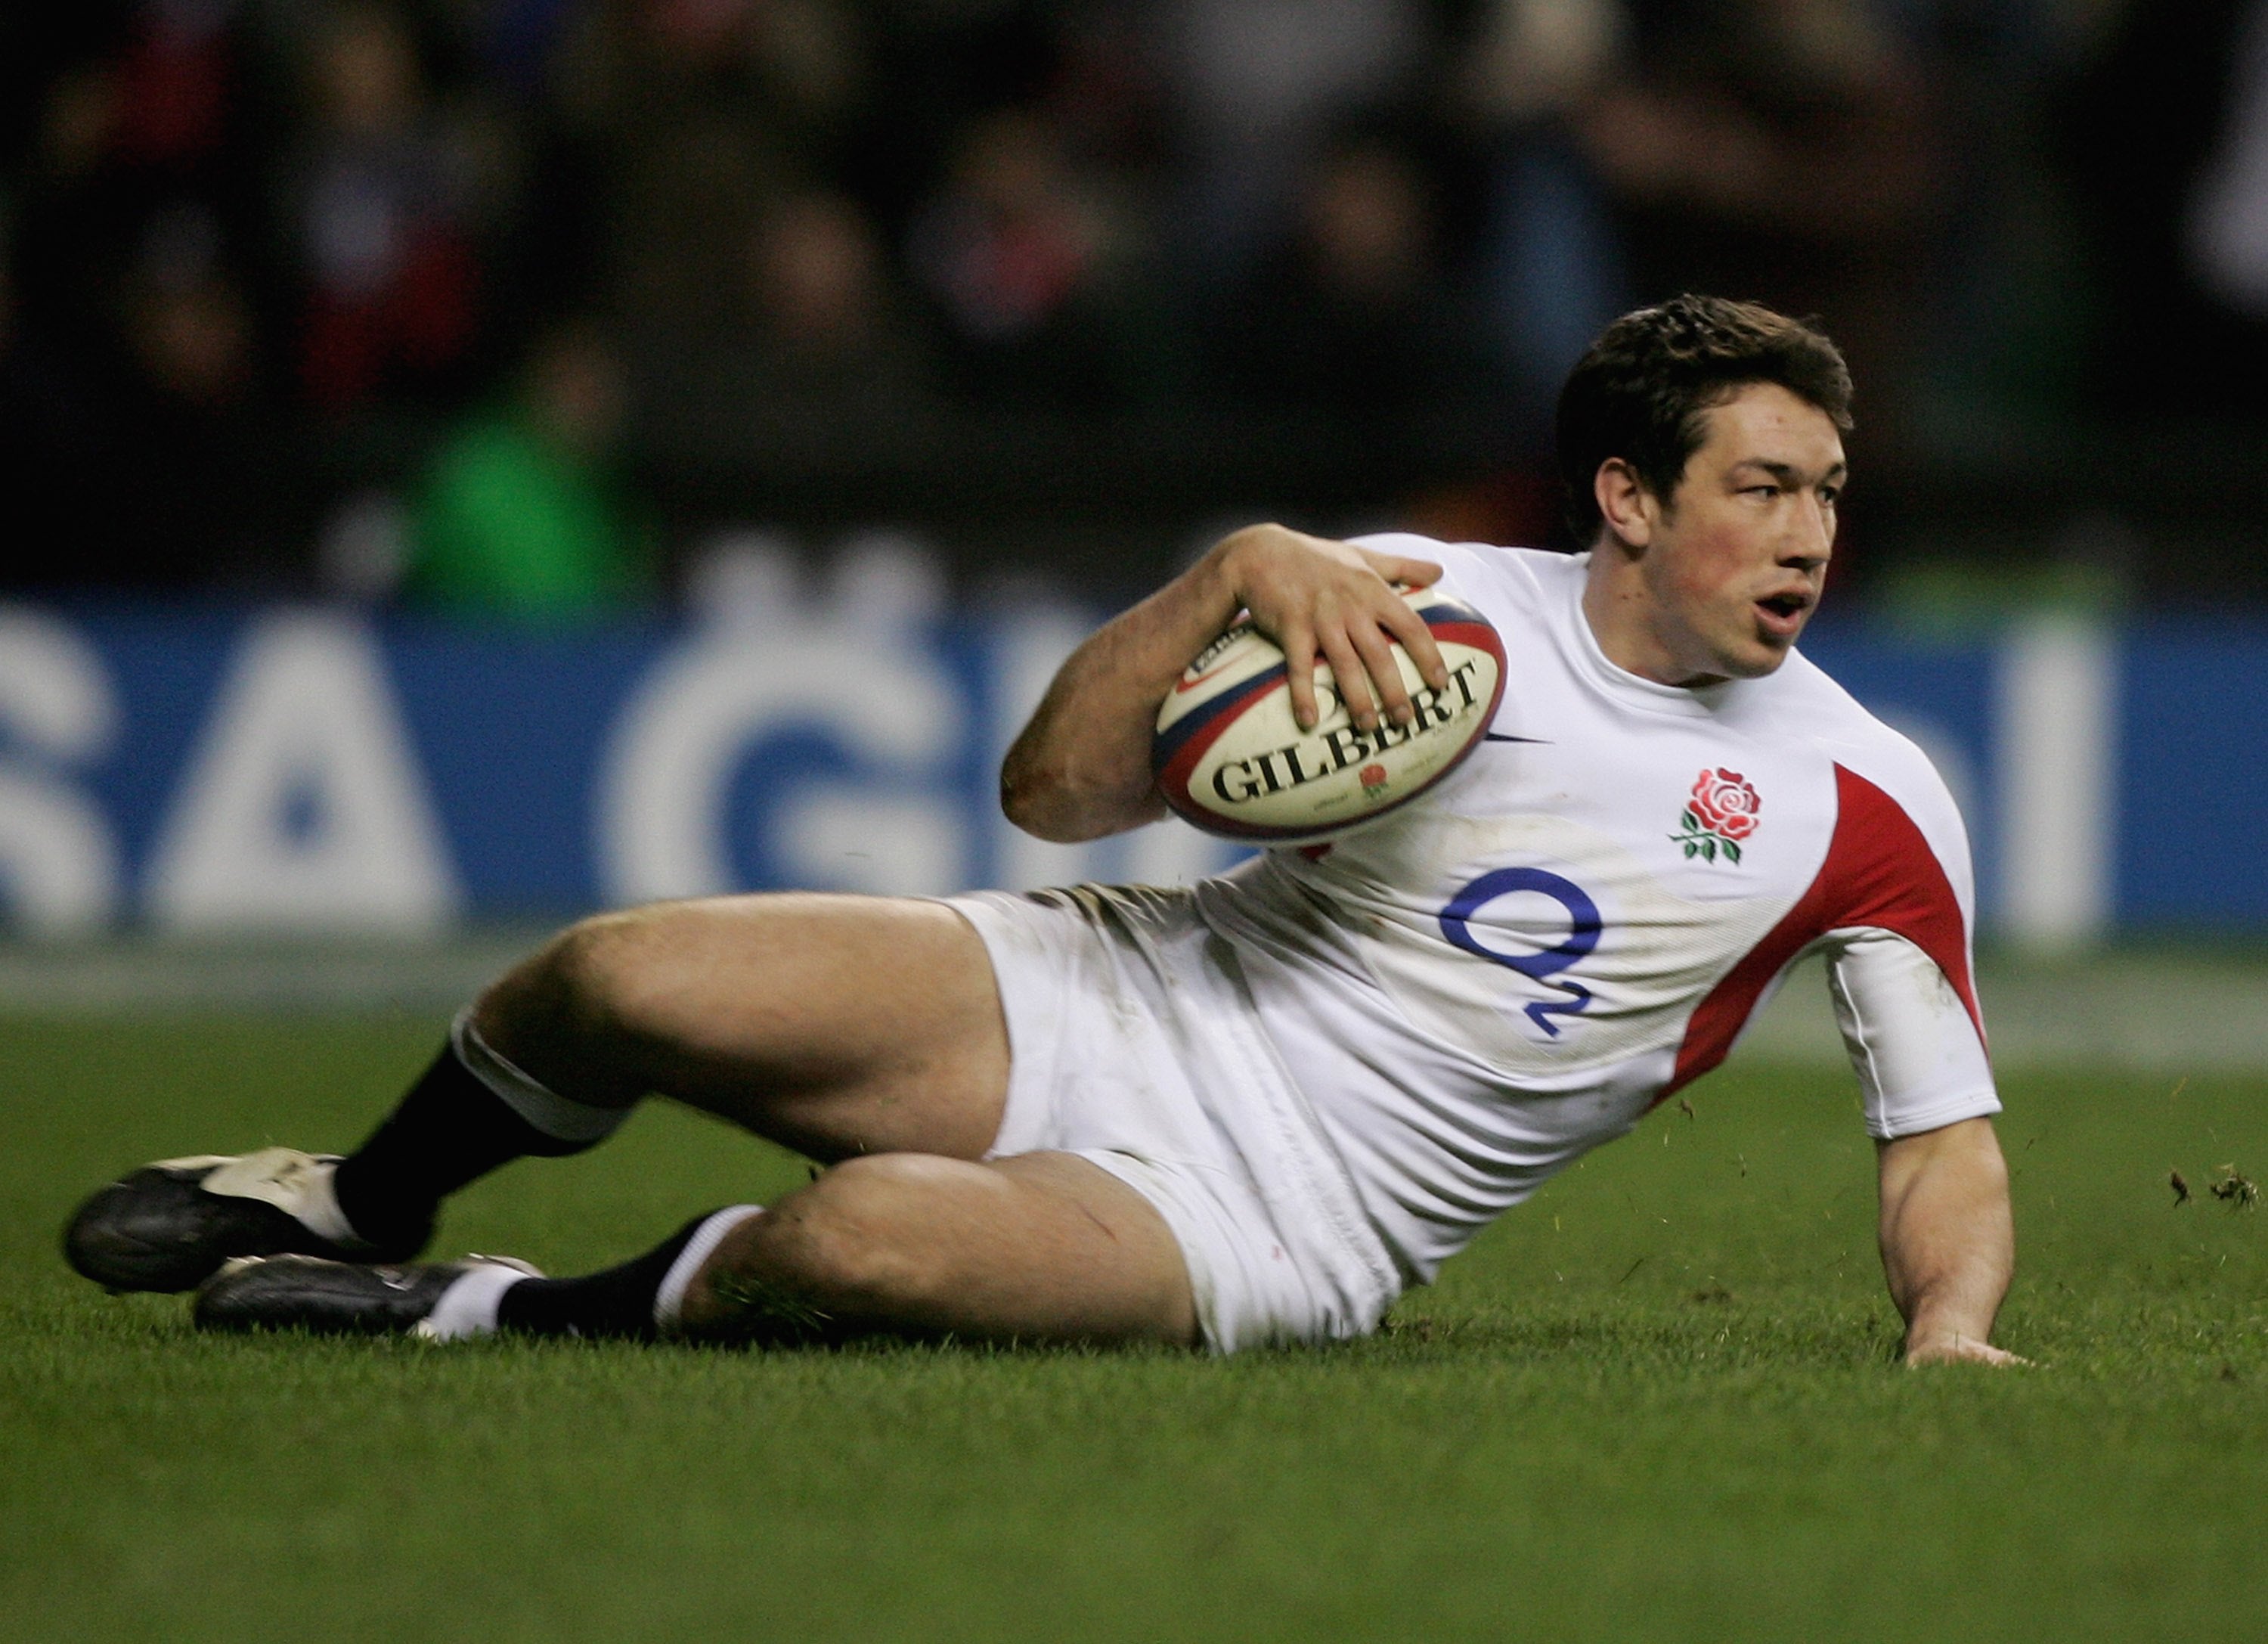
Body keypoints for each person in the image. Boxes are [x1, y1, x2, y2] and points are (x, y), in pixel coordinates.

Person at [62, 295, 2018, 1366]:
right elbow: (1051, 797)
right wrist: (1227, 576)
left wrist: (1952, 1333)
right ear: (1626, 494)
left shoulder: (1867, 799)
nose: (1810, 534)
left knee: (869, 1249)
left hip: (1279, 1222)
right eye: (1763, 487)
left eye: (1828, 492)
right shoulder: (1412, 595)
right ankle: (358, 1202)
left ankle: (474, 1312)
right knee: (615, 973)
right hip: (1109, 993)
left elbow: (1942, 1136)